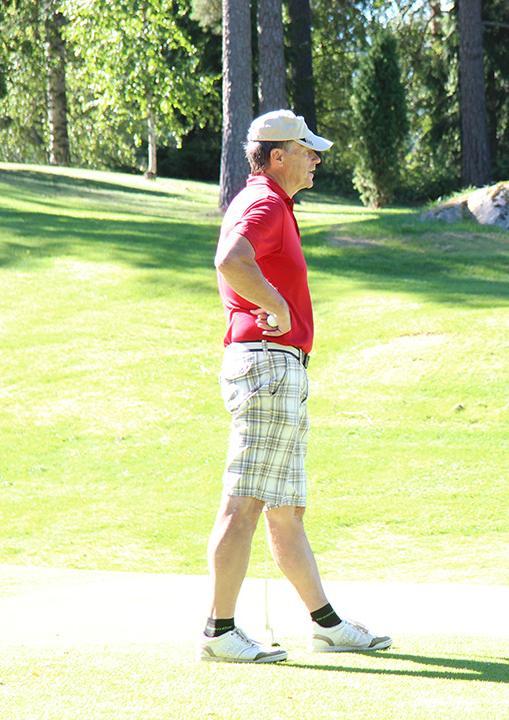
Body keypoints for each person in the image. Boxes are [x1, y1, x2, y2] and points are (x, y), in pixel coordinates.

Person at [199, 109, 392, 663]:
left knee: (284, 510)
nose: (316, 159)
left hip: (278, 368)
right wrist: (277, 306)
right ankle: (218, 631)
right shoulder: (264, 201)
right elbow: (231, 260)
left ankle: (327, 625)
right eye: (307, 151)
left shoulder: (270, 202)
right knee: (244, 503)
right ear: (278, 156)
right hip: (267, 366)